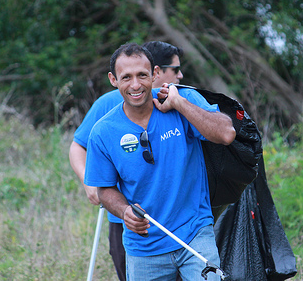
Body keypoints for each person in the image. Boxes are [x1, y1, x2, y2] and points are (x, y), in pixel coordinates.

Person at [84, 43, 236, 280]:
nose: (135, 85)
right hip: (144, 247)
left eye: (142, 75)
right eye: (127, 77)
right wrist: (125, 211)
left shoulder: (181, 98)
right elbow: (104, 189)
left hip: (195, 233)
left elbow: (226, 134)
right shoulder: (103, 132)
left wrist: (180, 105)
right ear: (113, 79)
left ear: (154, 74)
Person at [69, 41, 184, 281]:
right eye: (175, 69)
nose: (180, 75)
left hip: (178, 219)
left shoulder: (180, 103)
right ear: (159, 71)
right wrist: (88, 183)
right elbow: (78, 146)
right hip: (126, 220)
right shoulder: (109, 103)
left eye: (142, 74)